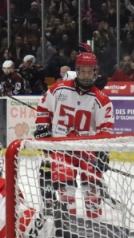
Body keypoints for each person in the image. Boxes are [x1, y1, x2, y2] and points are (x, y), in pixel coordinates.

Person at [35, 52, 114, 219]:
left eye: (90, 71)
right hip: (61, 148)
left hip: (87, 149)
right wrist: (43, 128)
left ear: (95, 72)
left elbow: (105, 129)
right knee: (66, 188)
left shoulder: (102, 100)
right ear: (77, 71)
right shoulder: (59, 89)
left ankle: (95, 223)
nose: (86, 75)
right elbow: (43, 108)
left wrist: (103, 151)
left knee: (92, 188)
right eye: (83, 71)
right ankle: (67, 226)